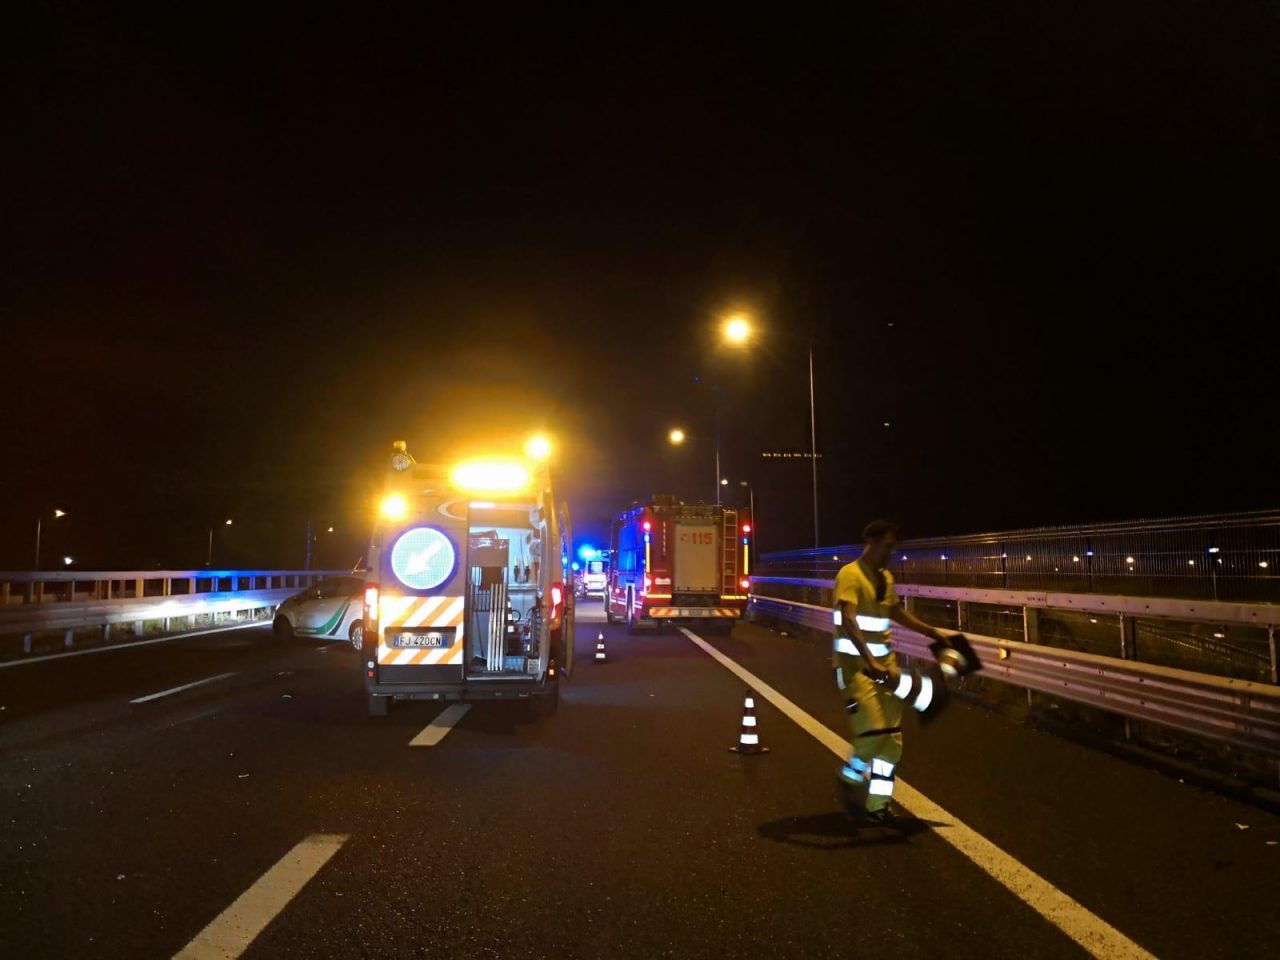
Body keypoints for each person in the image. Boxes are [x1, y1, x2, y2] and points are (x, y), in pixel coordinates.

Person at [832, 520, 955, 823]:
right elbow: (847, 619)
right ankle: (849, 778)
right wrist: (869, 659)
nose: (891, 553)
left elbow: (896, 612)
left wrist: (932, 632)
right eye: (887, 546)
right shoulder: (849, 574)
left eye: (893, 548)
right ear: (871, 543)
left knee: (892, 741)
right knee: (874, 730)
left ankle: (878, 807)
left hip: (886, 669)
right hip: (855, 669)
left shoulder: (885, 578)